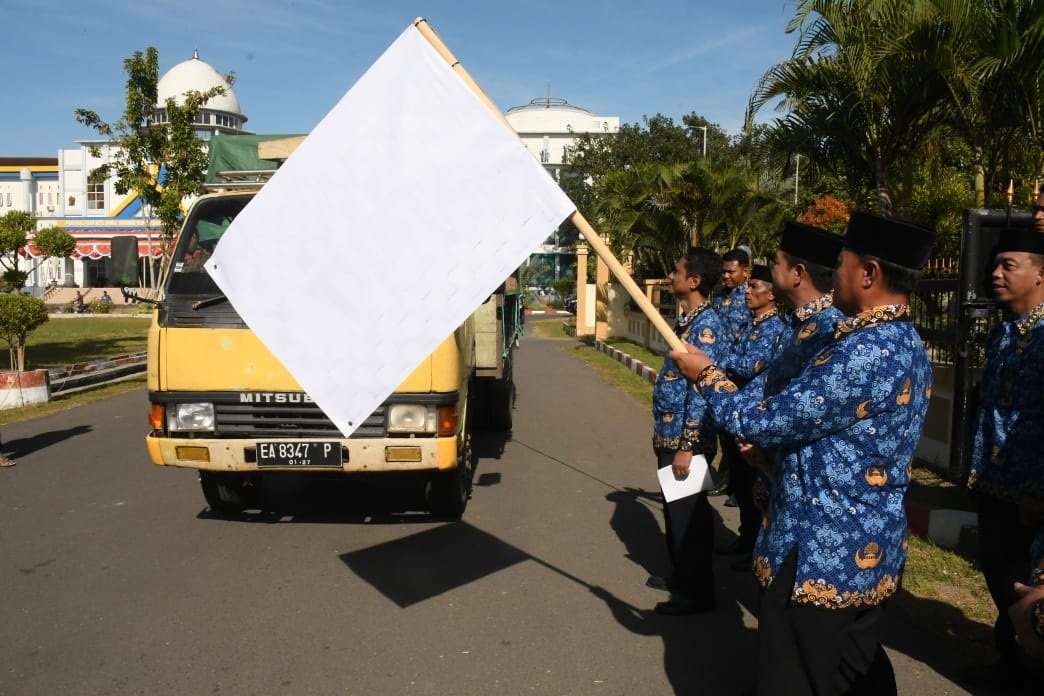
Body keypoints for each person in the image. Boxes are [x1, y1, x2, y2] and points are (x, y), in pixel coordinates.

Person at [669, 212, 935, 694]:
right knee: (851, 670)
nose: (834, 273)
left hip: (821, 547)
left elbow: (764, 420)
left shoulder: (864, 351)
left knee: (793, 673)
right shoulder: (902, 340)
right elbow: (838, 436)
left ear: (869, 273)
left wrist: (705, 375)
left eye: (843, 262)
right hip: (864, 542)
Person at [963, 225, 1044, 690]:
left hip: (1031, 491)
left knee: (1025, 587)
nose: (995, 274)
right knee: (1001, 576)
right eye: (995, 265)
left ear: (1039, 274)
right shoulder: (1004, 332)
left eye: (1008, 265)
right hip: (994, 480)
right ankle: (1011, 663)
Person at [646, 247, 726, 616]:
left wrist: (687, 446)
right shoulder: (686, 321)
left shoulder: (706, 327)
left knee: (688, 516)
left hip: (686, 440)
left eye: (677, 271)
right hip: (671, 433)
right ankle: (682, 575)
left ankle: (696, 592)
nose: (671, 276)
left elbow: (700, 390)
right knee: (676, 511)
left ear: (693, 281)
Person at [716, 264, 784, 569]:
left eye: (754, 286)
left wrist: (719, 360)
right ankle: (746, 539)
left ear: (771, 294)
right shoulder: (749, 325)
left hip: (755, 416)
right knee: (741, 485)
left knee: (756, 486)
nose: (747, 291)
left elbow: (751, 366)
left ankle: (757, 548)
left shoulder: (775, 328)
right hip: (737, 411)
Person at [708, 247, 753, 499]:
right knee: (723, 432)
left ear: (745, 271)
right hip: (719, 371)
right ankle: (728, 480)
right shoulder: (719, 296)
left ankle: (738, 486)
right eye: (723, 271)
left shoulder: (751, 296)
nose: (725, 276)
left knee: (738, 434)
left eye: (731, 271)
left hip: (741, 375)